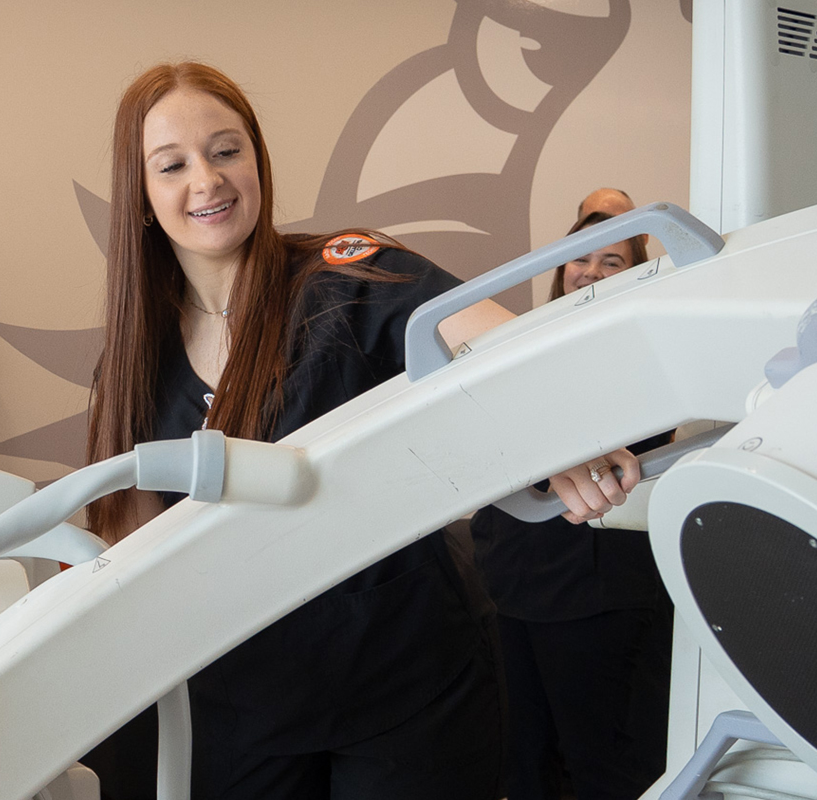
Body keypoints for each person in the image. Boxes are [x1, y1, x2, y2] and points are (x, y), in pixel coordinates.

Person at [80, 61, 637, 800]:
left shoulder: (344, 276)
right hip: (244, 698)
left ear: (257, 160)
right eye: (172, 165)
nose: (207, 181)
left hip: (405, 681)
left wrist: (561, 437)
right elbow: (130, 552)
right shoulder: (134, 366)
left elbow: (503, 349)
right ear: (143, 196)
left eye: (226, 150)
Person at [470, 210, 674, 800]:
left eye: (612, 261)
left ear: (638, 272)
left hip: (598, 589)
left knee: (603, 764)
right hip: (510, 581)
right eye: (580, 259)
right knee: (523, 761)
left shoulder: (648, 340)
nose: (590, 271)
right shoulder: (519, 344)